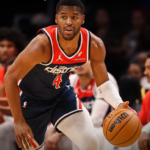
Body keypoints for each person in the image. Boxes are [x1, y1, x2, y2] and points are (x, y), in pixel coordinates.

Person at [4, 0, 135, 150]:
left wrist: (119, 104)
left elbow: (104, 83)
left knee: (91, 144)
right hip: (32, 101)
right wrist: (19, 121)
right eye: (64, 17)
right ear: (56, 19)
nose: (69, 22)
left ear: (82, 19)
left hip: (61, 96)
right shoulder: (41, 45)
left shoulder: (93, 44)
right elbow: (10, 77)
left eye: (74, 17)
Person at [45, 61, 118, 150]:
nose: (79, 64)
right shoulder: (71, 80)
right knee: (45, 132)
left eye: (84, 60)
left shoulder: (104, 78)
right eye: (76, 60)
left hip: (106, 131)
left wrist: (59, 133)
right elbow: (61, 113)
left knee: (83, 136)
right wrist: (51, 131)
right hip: (80, 128)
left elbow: (95, 121)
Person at [139, 53, 150, 125]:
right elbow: (140, 125)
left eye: (149, 68)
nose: (145, 72)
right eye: (145, 68)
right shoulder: (148, 96)